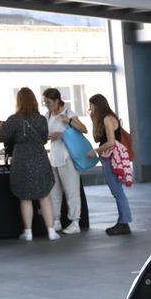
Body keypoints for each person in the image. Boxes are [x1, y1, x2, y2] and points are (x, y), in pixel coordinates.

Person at [0, 87, 56, 242]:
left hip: (21, 158)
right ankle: (51, 231)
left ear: (19, 101)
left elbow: (1, 137)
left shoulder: (14, 119)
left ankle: (28, 233)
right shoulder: (41, 119)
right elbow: (43, 139)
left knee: (25, 197)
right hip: (39, 157)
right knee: (44, 195)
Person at [43, 88, 86, 235]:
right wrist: (50, 136)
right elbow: (45, 134)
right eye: (45, 102)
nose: (47, 105)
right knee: (54, 192)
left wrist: (66, 127)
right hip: (54, 157)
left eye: (48, 102)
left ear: (56, 101)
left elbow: (83, 129)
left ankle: (75, 222)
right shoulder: (47, 115)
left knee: (71, 191)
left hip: (67, 157)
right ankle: (56, 221)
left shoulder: (68, 113)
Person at [88, 94, 133, 235]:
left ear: (97, 105)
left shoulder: (107, 118)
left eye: (91, 105)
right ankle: (123, 221)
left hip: (111, 158)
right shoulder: (107, 118)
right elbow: (101, 138)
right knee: (117, 191)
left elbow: (111, 142)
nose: (90, 108)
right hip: (109, 157)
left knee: (117, 191)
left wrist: (95, 151)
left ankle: (124, 222)